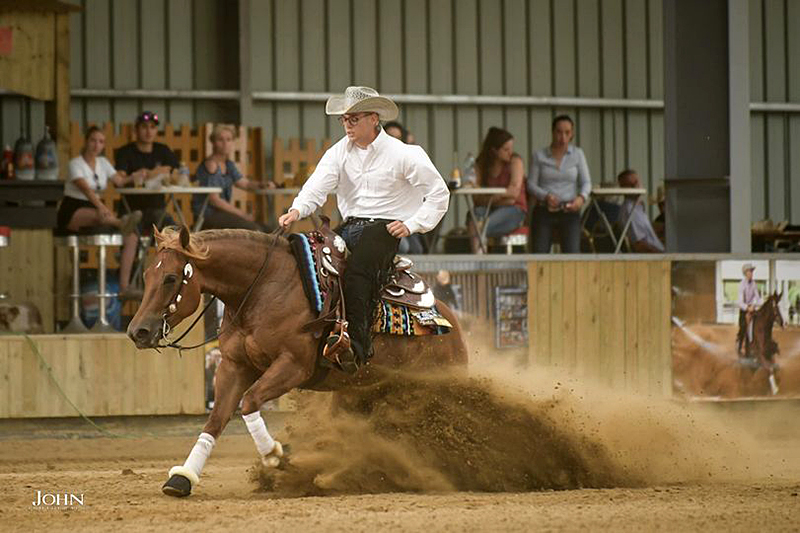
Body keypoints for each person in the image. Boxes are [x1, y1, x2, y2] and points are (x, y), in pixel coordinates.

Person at [278, 86, 449, 373]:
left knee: (357, 274)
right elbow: (317, 187)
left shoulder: (403, 153)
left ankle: (356, 347)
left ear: (373, 118)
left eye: (353, 119)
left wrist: (411, 224)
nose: (347, 125)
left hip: (385, 228)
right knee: (308, 259)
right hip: (351, 225)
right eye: (344, 119)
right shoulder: (338, 153)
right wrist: (297, 209)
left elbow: (439, 193)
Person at [56, 126, 142, 295]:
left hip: (97, 210)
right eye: (93, 140)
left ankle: (124, 286)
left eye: (101, 142)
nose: (96, 145)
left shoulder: (103, 163)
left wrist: (135, 176)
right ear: (86, 142)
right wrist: (102, 206)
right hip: (73, 208)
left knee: (132, 237)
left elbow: (119, 181)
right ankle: (120, 222)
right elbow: (86, 189)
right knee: (101, 216)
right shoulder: (75, 164)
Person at [114, 111, 179, 299]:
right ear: (136, 130)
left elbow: (175, 172)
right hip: (132, 209)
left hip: (157, 211)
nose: (148, 132)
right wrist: (134, 177)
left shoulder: (163, 150)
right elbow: (119, 178)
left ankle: (172, 281)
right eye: (144, 127)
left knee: (174, 231)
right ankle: (124, 286)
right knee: (132, 235)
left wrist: (152, 173)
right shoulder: (126, 152)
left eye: (152, 127)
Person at [527, 115, 591, 253]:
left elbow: (586, 182)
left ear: (572, 134)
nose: (562, 137)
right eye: (559, 132)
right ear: (552, 132)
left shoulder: (578, 154)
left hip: (569, 209)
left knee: (572, 254)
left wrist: (581, 198)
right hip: (545, 209)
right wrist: (545, 196)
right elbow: (531, 184)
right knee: (539, 253)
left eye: (567, 133)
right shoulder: (539, 155)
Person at [192, 125, 270, 231]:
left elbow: (243, 183)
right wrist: (242, 214)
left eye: (229, 140)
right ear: (213, 143)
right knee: (254, 229)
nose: (225, 143)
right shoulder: (211, 165)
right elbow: (214, 200)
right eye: (220, 140)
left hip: (222, 214)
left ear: (233, 142)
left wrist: (262, 184)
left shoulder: (228, 164)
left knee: (266, 228)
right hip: (207, 214)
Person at [469, 127, 527, 253]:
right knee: (474, 214)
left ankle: (478, 260)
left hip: (514, 210)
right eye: (506, 149)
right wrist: (501, 197)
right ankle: (478, 257)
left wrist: (490, 198)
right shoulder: (482, 164)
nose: (510, 152)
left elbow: (514, 195)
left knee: (480, 225)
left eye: (511, 148)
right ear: (493, 151)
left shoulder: (515, 161)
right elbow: (476, 198)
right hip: (491, 208)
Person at [383, 120, 426, 254]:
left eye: (398, 139)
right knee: (403, 247)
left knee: (417, 249)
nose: (394, 142)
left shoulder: (406, 160)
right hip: (383, 219)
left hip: (406, 217)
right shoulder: (377, 160)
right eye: (390, 137)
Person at [617, 169, 665, 253]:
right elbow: (639, 245)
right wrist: (662, 255)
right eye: (632, 185)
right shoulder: (630, 210)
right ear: (623, 189)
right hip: (656, 258)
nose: (637, 186)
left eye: (637, 182)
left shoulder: (637, 208)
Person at [737, 263, 763, 357]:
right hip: (744, 310)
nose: (751, 273)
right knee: (743, 327)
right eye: (749, 271)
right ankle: (740, 346)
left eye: (752, 271)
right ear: (745, 273)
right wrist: (747, 308)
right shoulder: (741, 284)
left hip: (753, 308)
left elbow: (758, 298)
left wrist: (755, 305)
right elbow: (739, 301)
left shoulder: (754, 284)